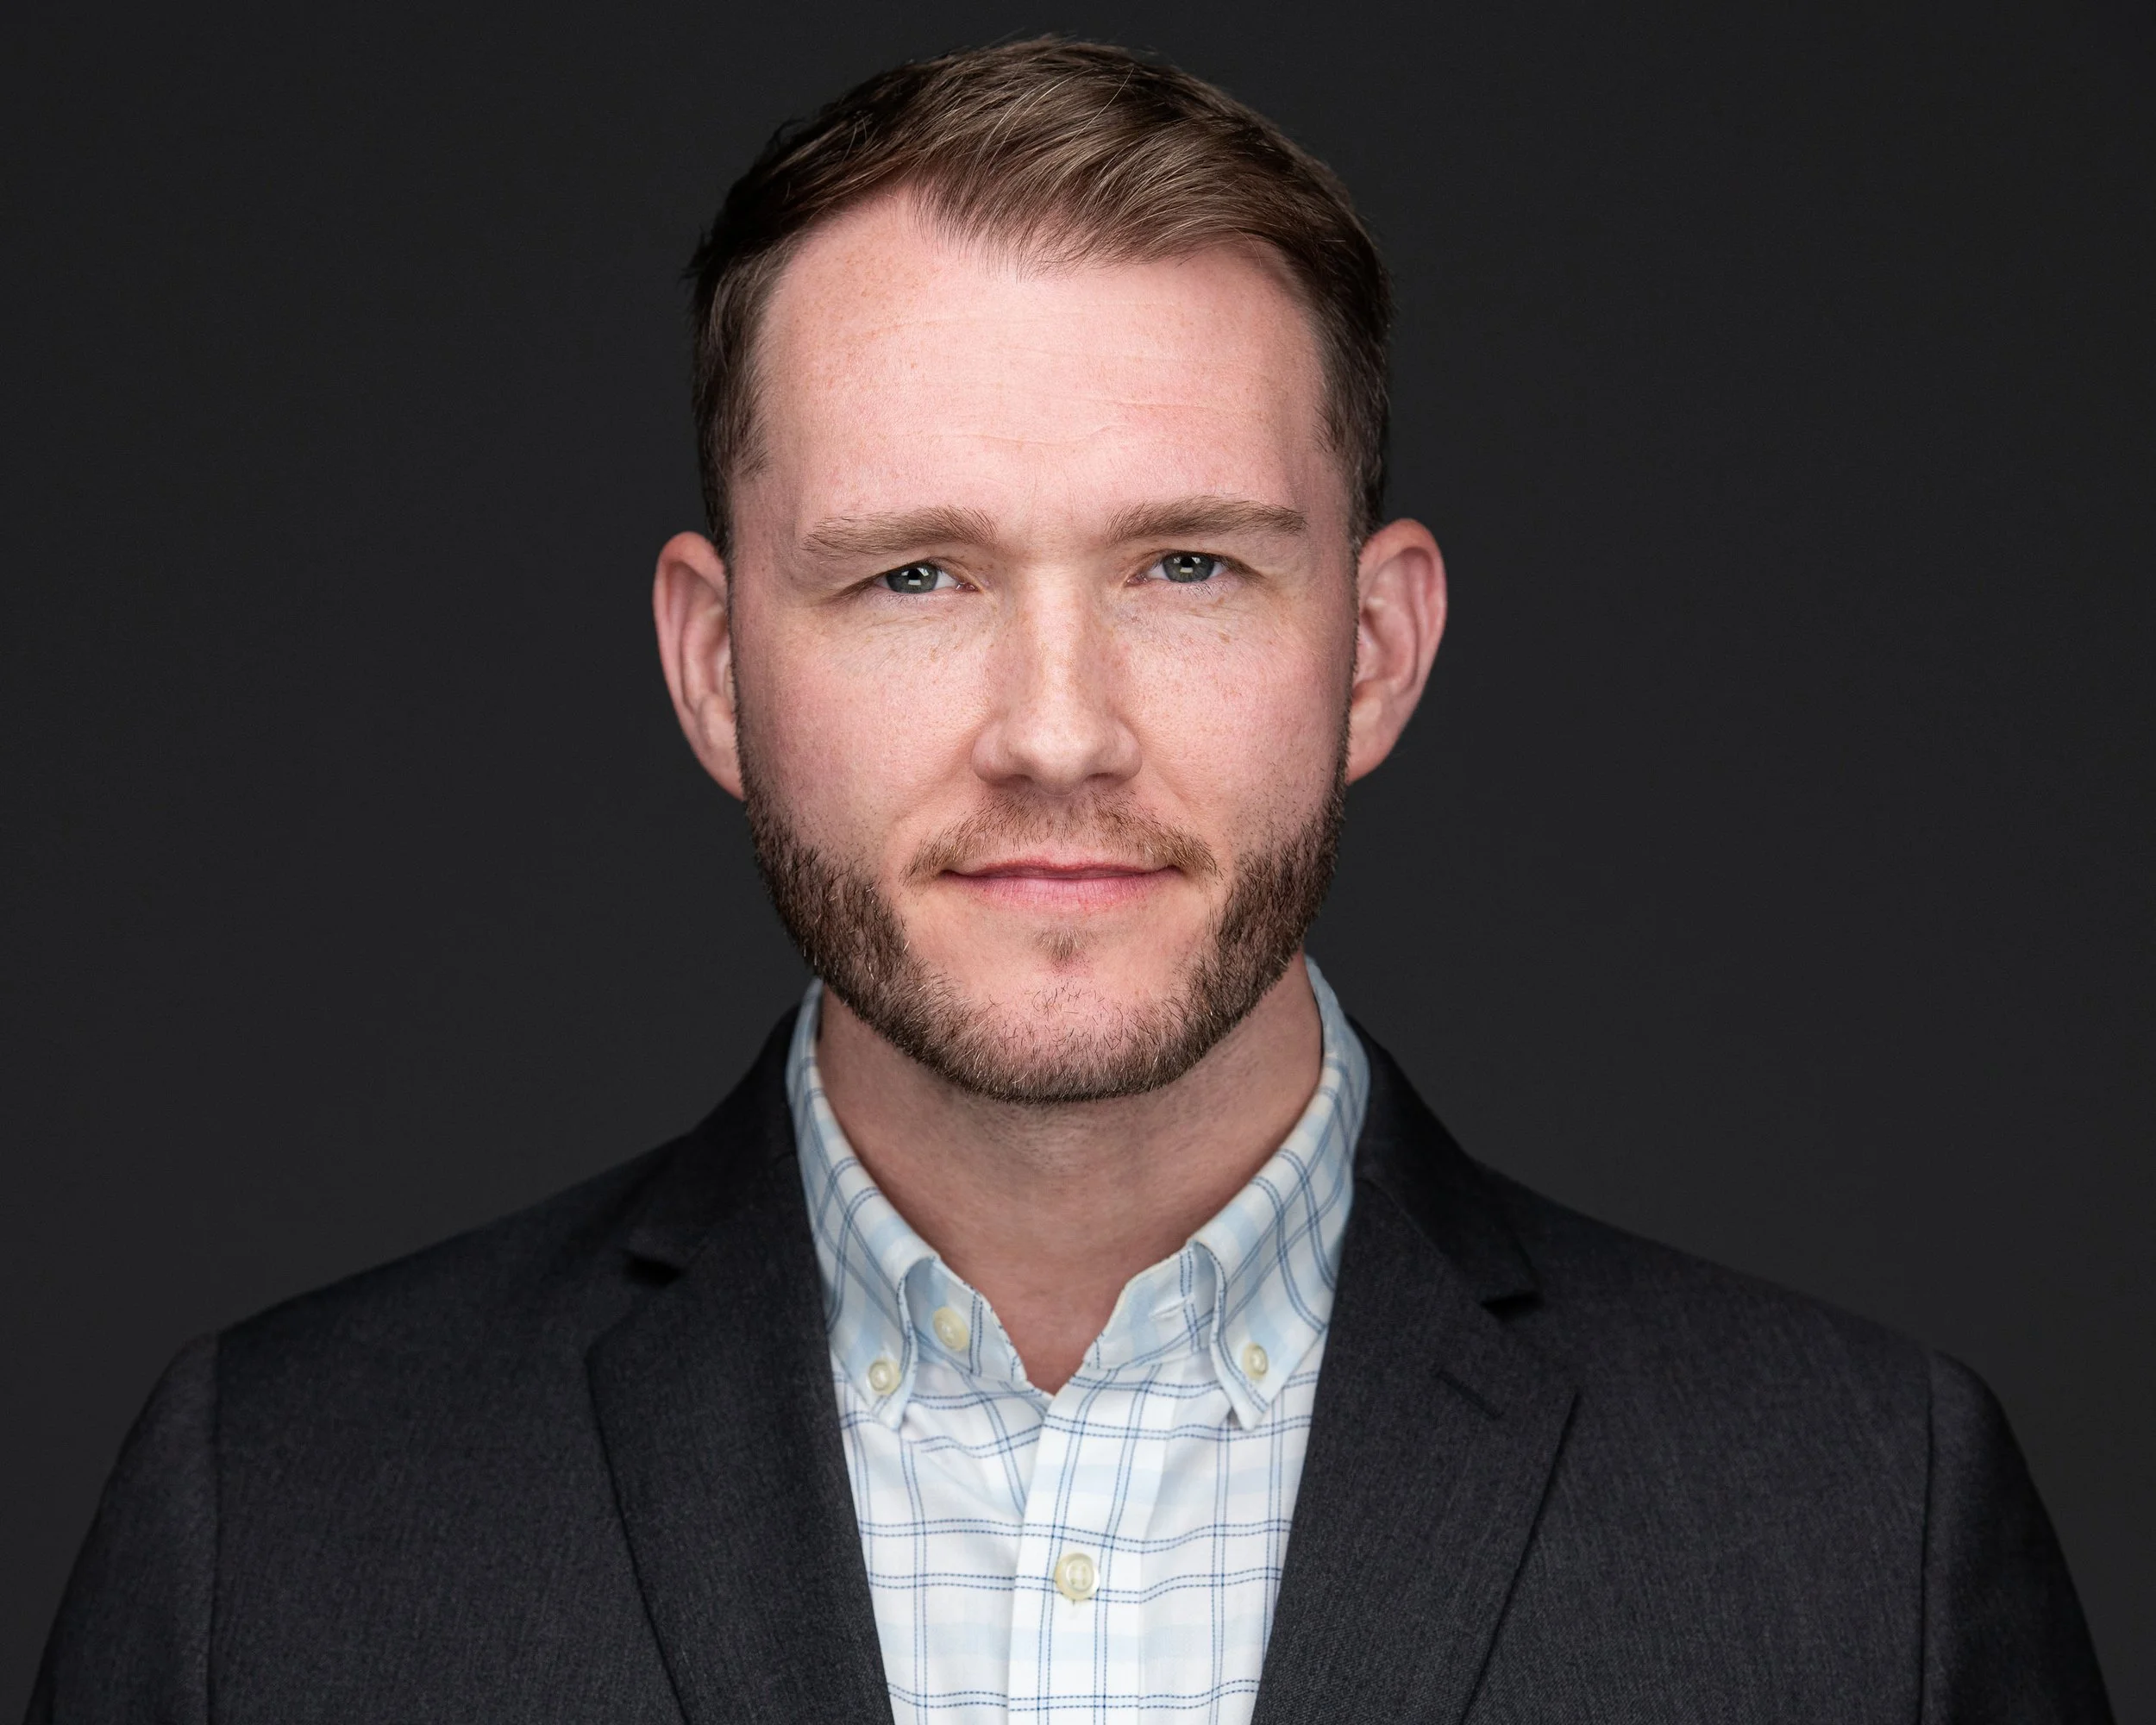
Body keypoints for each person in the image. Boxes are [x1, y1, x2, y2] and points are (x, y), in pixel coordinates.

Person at [31, 37, 2111, 1725]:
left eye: (1184, 563)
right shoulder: (283, 1513)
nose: (1054, 726)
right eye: (913, 573)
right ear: (713, 664)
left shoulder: (1855, 1528)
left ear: (1371, 650)